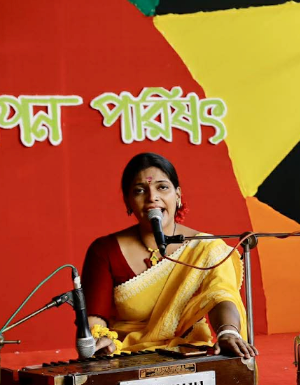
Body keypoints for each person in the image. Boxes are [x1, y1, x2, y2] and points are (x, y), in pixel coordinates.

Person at [82, 152, 255, 359]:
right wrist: (99, 341)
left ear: (178, 196)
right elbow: (95, 318)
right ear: (128, 202)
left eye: (162, 187)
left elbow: (221, 295)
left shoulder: (205, 248)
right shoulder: (105, 250)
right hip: (126, 358)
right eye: (139, 190)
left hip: (190, 353)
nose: (152, 197)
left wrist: (228, 333)